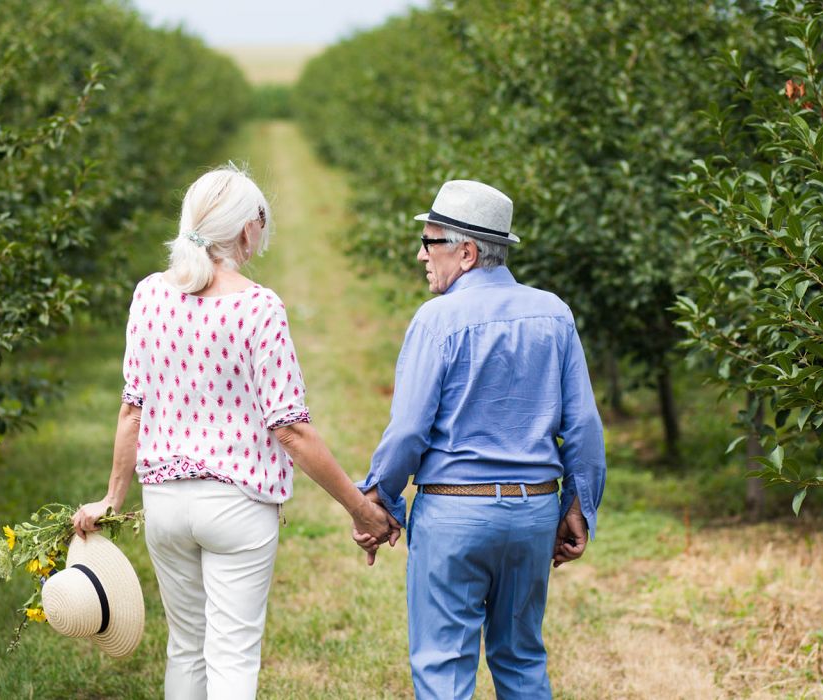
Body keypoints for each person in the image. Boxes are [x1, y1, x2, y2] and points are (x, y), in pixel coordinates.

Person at [72, 164, 396, 699]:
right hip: (237, 506)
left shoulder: (149, 295)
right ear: (247, 229)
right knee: (232, 657)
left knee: (186, 647)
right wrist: (359, 507)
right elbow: (290, 429)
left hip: (165, 505)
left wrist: (113, 497)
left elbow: (133, 409)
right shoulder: (257, 307)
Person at [354, 179, 606, 700]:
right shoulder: (554, 313)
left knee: (444, 667)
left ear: (465, 252)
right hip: (532, 515)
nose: (421, 255)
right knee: (520, 659)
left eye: (430, 242)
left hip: (455, 517)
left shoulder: (437, 320)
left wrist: (380, 499)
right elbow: (582, 425)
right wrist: (580, 504)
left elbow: (408, 430)